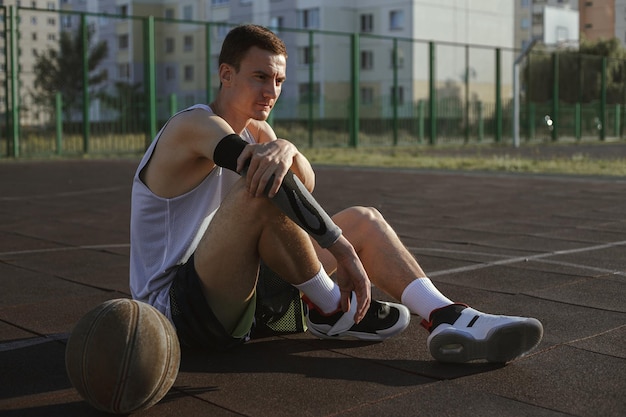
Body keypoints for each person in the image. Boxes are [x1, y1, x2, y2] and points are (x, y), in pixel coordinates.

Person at [130, 24, 543, 363]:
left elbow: (304, 183)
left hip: (242, 293)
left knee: (366, 219)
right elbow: (267, 180)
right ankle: (331, 305)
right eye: (260, 77)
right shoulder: (192, 125)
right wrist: (342, 252)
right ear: (226, 75)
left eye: (279, 80)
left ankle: (447, 315)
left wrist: (286, 147)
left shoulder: (258, 132)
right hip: (175, 315)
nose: (271, 91)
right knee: (261, 191)